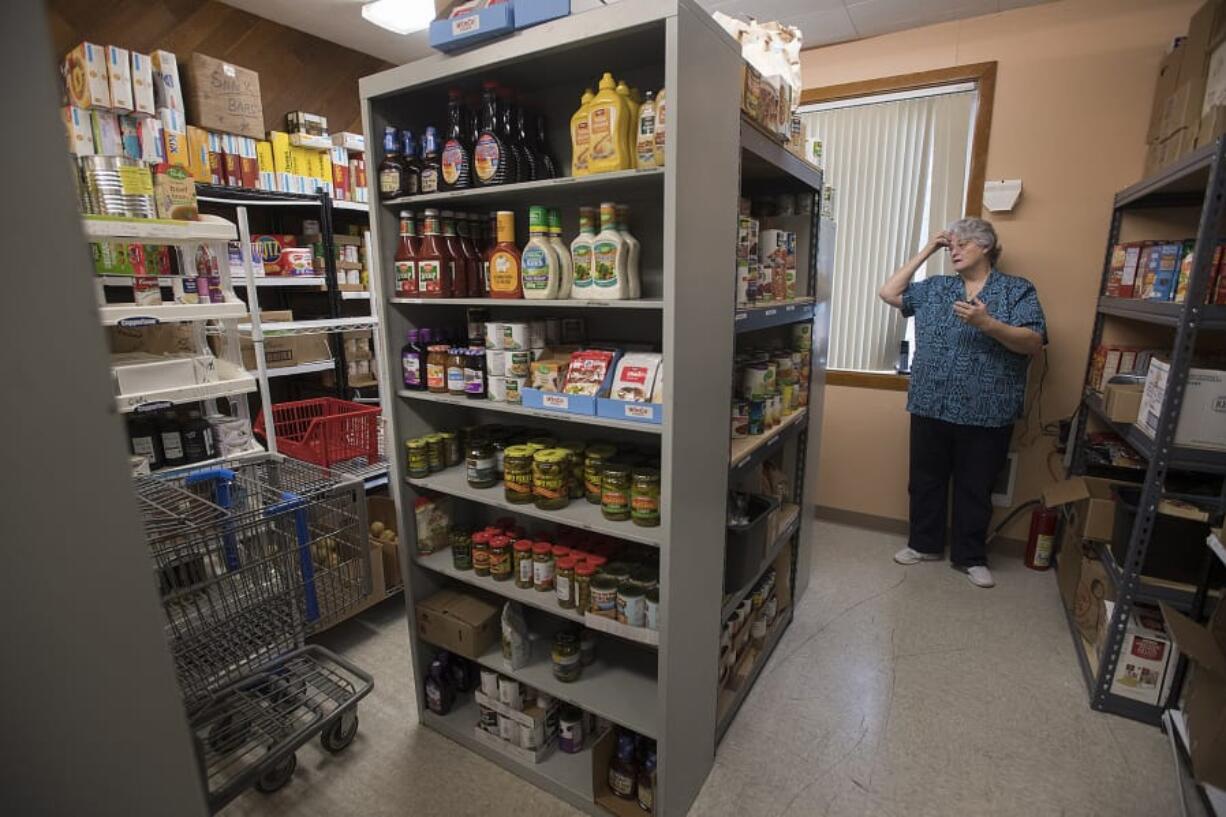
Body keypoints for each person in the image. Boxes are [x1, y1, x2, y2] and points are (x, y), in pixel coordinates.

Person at [878, 218, 1046, 588]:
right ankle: (923, 545)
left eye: (962, 244)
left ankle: (970, 557)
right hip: (930, 402)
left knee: (976, 485)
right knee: (925, 480)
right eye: (950, 245)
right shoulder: (937, 288)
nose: (954, 250)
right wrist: (928, 249)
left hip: (987, 407)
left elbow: (1033, 341)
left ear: (985, 246)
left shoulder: (1015, 291)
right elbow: (889, 293)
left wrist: (988, 324)